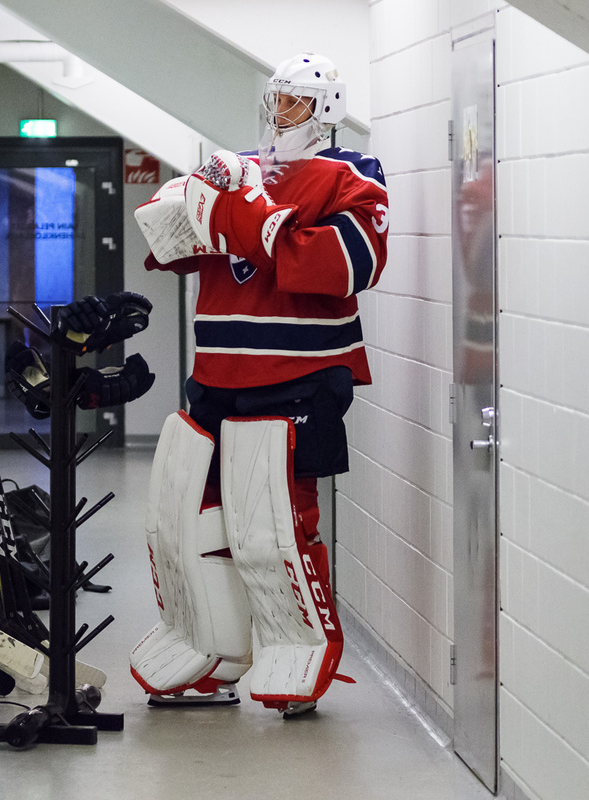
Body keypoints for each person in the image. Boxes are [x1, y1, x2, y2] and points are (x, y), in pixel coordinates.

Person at [130, 52, 389, 716]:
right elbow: (181, 246)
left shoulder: (353, 175)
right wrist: (182, 217)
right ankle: (206, 649)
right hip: (216, 372)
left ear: (326, 106)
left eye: (295, 101)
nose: (280, 112)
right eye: (275, 99)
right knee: (182, 517)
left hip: (297, 377)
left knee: (270, 526)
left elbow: (344, 266)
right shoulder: (237, 167)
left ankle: (296, 651)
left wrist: (251, 220)